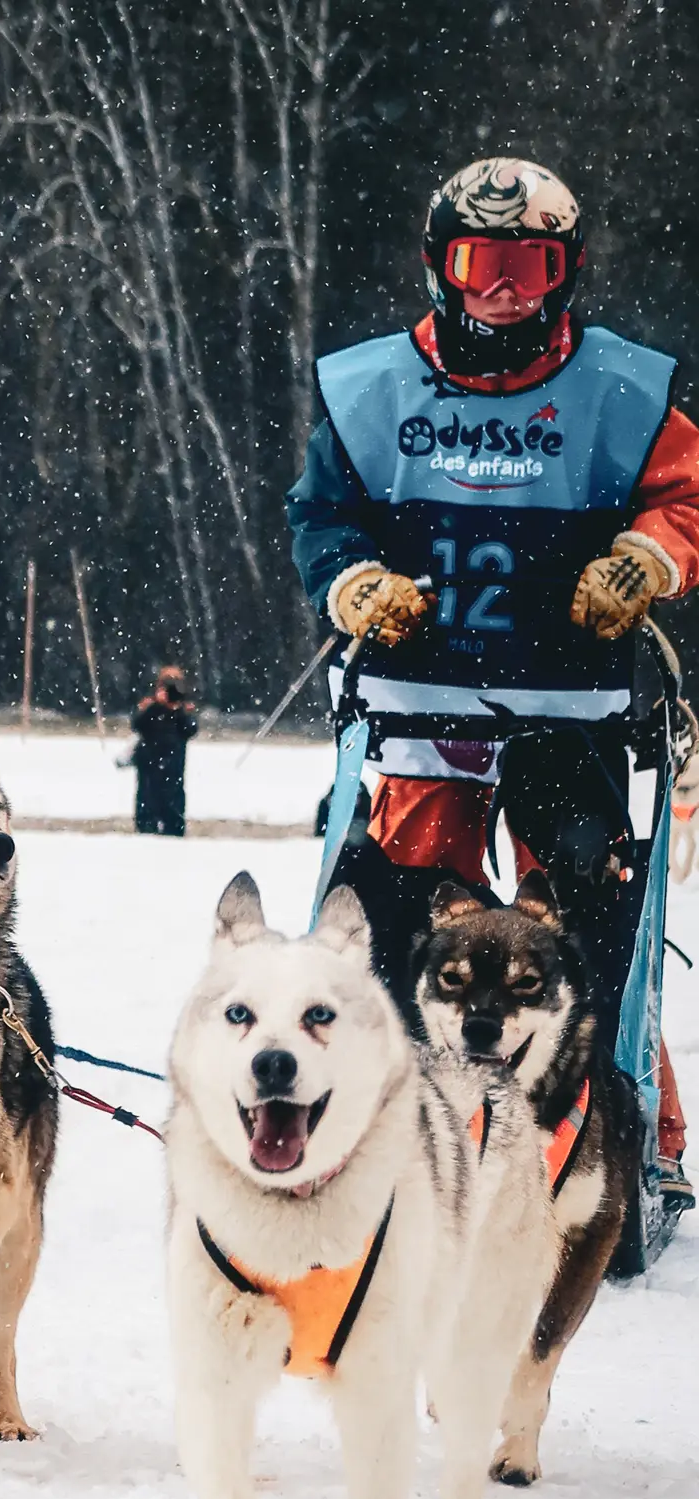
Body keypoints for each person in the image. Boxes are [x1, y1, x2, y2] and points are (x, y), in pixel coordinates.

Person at [286, 156, 699, 1203]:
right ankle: (391, 1125)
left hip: (572, 703)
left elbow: (687, 496)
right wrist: (350, 581)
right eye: (481, 264)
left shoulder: (622, 390)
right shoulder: (371, 390)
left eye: (530, 266)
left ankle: (626, 1132)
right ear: (441, 266)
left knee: (583, 917)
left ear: (566, 271)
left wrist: (648, 557)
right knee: (406, 915)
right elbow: (321, 514)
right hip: (418, 704)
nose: (504, 291)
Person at [131, 665, 197, 836]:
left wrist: (180, 711)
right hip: (149, 761)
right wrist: (152, 707)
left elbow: (191, 729)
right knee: (147, 797)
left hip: (173, 764)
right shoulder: (151, 707)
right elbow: (137, 725)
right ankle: (147, 828)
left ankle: (172, 830)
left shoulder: (182, 709)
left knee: (172, 801)